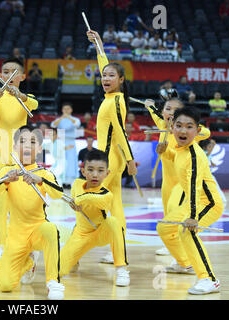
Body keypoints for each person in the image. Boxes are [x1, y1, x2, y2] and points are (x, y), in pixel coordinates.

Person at [0, 126, 65, 300]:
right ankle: (29, 261)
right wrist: (6, 180)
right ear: (15, 147)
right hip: (16, 235)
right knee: (5, 285)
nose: (27, 146)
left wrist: (40, 180)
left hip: (38, 229)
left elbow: (58, 193)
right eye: (22, 141)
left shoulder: (44, 173)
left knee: (51, 229)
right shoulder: (6, 172)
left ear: (39, 148)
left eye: (32, 142)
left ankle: (53, 282)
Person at [156, 106, 223, 295]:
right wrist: (164, 152)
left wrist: (192, 217)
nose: (183, 131)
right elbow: (176, 158)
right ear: (172, 127)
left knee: (186, 232)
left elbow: (194, 188)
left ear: (198, 131)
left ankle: (209, 279)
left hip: (208, 203)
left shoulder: (194, 155)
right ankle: (185, 264)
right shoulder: (179, 148)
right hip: (193, 202)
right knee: (164, 227)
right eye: (178, 125)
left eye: (189, 126)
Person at [0, 57, 38, 264]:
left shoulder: (25, 98)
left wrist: (20, 95)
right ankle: (1, 247)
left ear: (22, 77)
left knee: (22, 204)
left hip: (20, 156)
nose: (9, 76)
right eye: (5, 71)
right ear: (0, 75)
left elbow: (34, 103)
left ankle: (24, 245)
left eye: (14, 72)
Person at [86, 30, 137, 265]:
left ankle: (79, 246)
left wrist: (129, 160)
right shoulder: (109, 98)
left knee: (91, 202)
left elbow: (120, 132)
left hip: (110, 161)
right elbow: (103, 65)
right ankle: (118, 249)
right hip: (109, 160)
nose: (105, 78)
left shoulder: (116, 101)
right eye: (104, 75)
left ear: (121, 80)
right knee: (115, 207)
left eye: (111, 76)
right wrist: (98, 45)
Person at [144, 97, 210, 256]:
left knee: (178, 213)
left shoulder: (184, 130)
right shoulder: (162, 125)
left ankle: (185, 251)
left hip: (182, 183)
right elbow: (154, 112)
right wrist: (150, 105)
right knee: (168, 214)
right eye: (167, 109)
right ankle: (172, 246)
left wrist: (190, 127)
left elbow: (206, 133)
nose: (170, 113)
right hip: (167, 182)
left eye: (175, 110)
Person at [60, 150, 130, 286]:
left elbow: (92, 199)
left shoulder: (107, 194)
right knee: (58, 270)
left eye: (100, 171)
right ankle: (74, 259)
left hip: (100, 233)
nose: (95, 175)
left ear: (107, 173)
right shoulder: (76, 184)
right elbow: (75, 199)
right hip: (80, 234)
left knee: (113, 222)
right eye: (90, 170)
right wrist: (73, 203)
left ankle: (121, 269)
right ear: (83, 171)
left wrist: (79, 200)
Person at [50, 102, 81, 188]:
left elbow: (77, 124)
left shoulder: (75, 119)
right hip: (62, 142)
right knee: (62, 161)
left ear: (71, 110)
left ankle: (70, 181)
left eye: (68, 109)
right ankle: (62, 180)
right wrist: (62, 118)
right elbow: (53, 125)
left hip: (71, 142)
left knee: (71, 161)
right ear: (62, 110)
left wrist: (68, 117)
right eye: (65, 109)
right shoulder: (60, 119)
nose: (66, 110)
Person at [199, 139, 227, 204]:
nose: (210, 148)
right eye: (209, 147)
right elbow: (210, 151)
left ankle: (219, 199)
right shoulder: (204, 153)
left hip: (207, 175)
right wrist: (213, 144)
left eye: (210, 147)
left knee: (213, 186)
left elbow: (211, 163)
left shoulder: (208, 154)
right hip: (203, 175)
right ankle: (221, 199)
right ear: (204, 147)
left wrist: (212, 163)